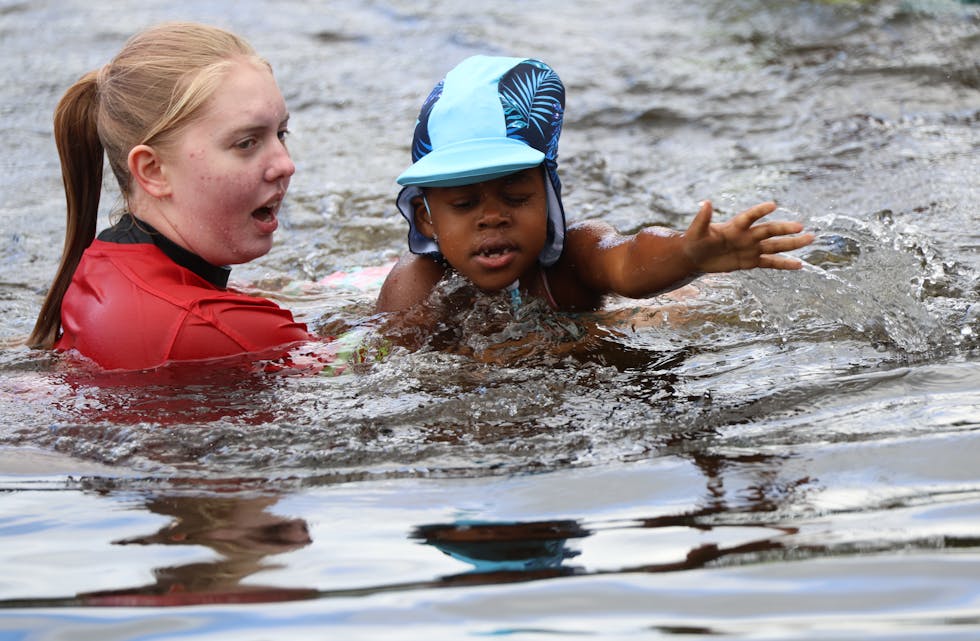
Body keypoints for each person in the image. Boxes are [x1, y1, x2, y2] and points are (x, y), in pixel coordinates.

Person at [376, 55, 814, 317]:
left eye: (515, 196)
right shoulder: (417, 287)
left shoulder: (573, 259)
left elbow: (629, 260)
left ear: (548, 196)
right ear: (427, 219)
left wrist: (688, 253)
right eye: (466, 202)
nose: (493, 216)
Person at [27, 22, 313, 371]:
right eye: (246, 143)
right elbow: (361, 365)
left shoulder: (103, 267)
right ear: (153, 170)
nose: (285, 165)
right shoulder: (227, 333)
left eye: (281, 133)